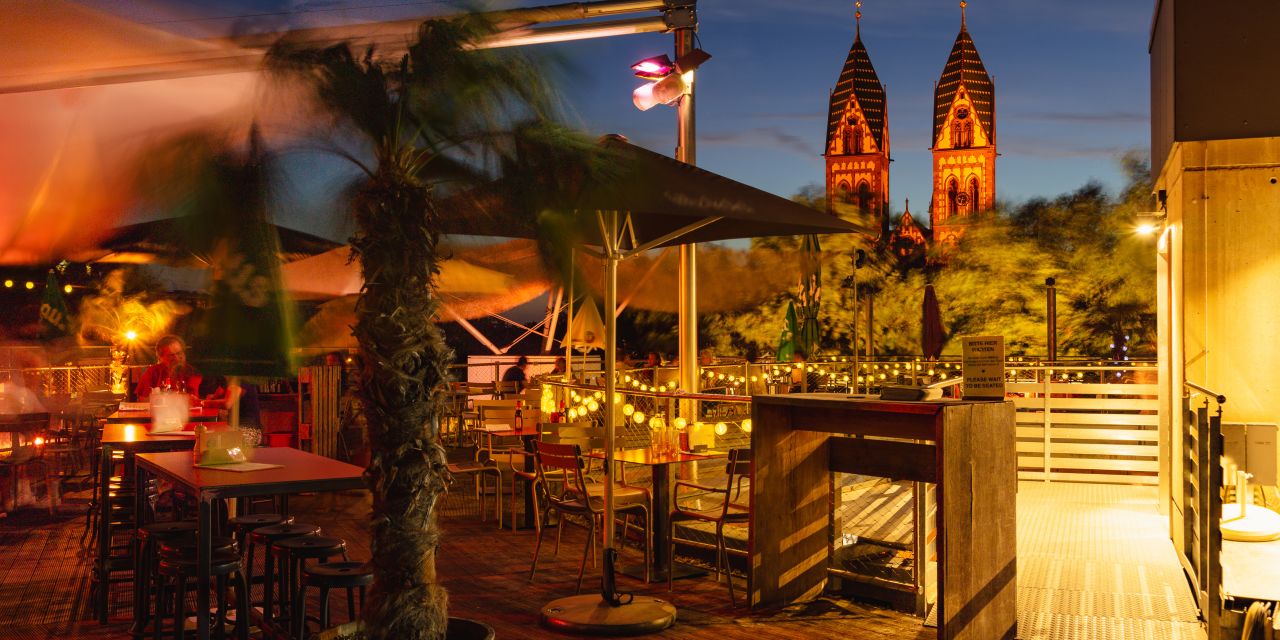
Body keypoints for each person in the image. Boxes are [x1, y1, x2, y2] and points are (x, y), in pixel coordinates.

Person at [135, 335, 201, 401]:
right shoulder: (153, 371)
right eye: (171, 355)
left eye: (179, 353)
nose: (176, 358)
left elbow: (192, 399)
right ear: (160, 357)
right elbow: (142, 398)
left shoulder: (191, 372)